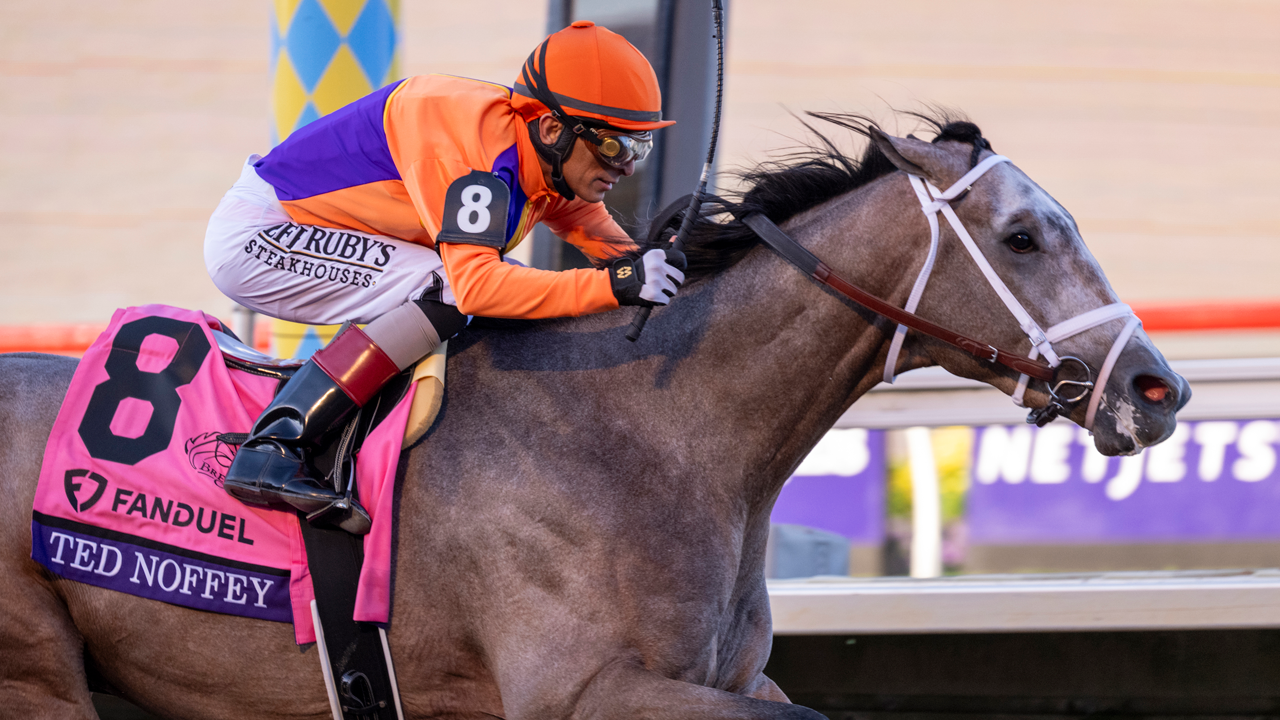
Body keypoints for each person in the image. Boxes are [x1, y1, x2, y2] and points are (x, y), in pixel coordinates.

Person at [204, 20, 686, 515]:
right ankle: (274, 445)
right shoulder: (475, 150)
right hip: (262, 236)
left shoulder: (542, 155)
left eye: (640, 147)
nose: (628, 166)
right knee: (450, 287)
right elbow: (476, 288)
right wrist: (617, 283)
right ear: (551, 129)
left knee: (473, 285)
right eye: (615, 145)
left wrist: (650, 263)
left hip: (315, 228)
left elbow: (585, 225)